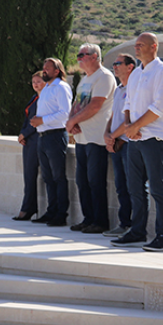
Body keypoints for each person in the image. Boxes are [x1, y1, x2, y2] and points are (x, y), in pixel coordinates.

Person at [110, 33, 163, 252]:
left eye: (141, 45)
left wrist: (136, 127)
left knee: (158, 188)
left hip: (154, 138)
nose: (136, 48)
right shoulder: (137, 74)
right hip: (135, 139)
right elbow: (128, 102)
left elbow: (160, 107)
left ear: (154, 47)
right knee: (134, 188)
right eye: (136, 45)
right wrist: (129, 126)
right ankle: (137, 231)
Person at [65, 44, 116, 234]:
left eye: (82, 55)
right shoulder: (85, 80)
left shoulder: (104, 77)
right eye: (78, 55)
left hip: (96, 137)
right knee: (82, 181)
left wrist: (73, 122)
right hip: (82, 138)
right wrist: (71, 121)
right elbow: (77, 103)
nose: (78, 58)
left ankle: (100, 221)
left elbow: (95, 106)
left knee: (95, 181)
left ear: (95, 56)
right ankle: (88, 219)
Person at [30, 58, 72, 227]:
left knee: (58, 177)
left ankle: (61, 214)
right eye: (43, 68)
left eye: (48, 69)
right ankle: (51, 211)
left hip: (55, 135)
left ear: (57, 71)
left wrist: (43, 120)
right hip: (43, 137)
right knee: (48, 177)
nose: (44, 71)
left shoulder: (61, 88)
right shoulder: (46, 88)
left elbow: (65, 113)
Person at [103, 54, 136, 238]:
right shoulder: (119, 90)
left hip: (127, 143)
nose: (114, 67)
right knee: (120, 186)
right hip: (116, 143)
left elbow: (130, 119)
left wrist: (113, 137)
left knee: (133, 186)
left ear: (130, 67)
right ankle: (124, 224)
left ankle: (134, 226)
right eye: (114, 64)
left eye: (118, 63)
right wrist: (107, 134)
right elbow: (113, 116)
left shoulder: (134, 88)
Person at [14, 72, 46, 221]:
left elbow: (37, 121)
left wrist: (25, 134)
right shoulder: (34, 98)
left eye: (39, 81)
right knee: (28, 175)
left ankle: (28, 209)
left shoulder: (45, 99)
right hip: (29, 140)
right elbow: (27, 118)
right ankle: (28, 207)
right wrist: (22, 133)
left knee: (34, 175)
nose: (35, 84)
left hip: (36, 139)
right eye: (33, 82)